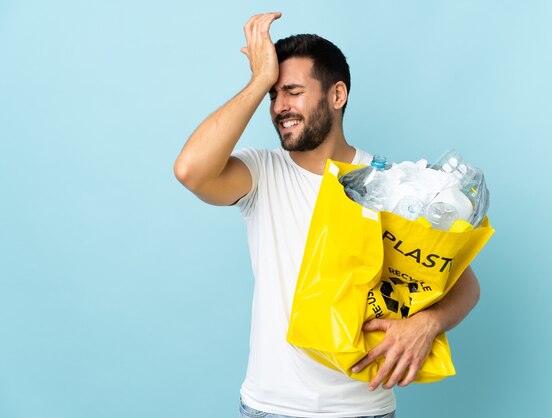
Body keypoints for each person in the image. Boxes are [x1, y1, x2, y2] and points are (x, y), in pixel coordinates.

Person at [174, 12, 481, 418]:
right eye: (273, 94)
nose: (280, 107)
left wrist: (427, 324)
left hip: (363, 408)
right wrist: (257, 81)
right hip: (270, 408)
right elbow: (190, 171)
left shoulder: (392, 185)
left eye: (293, 92)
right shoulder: (261, 173)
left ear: (337, 96)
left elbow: (466, 286)